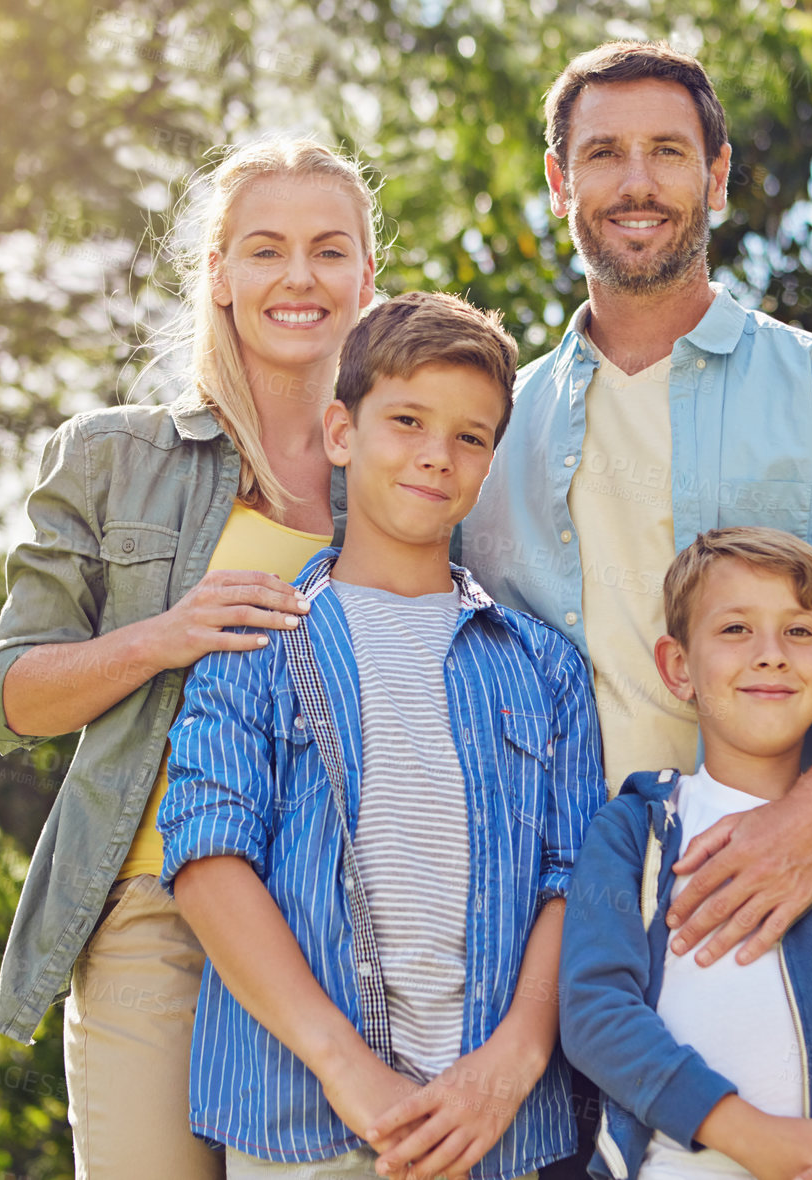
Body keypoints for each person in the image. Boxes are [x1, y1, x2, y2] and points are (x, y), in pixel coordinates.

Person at [462, 38, 812, 974]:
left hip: (772, 898)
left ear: (716, 175)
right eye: (603, 153)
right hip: (534, 922)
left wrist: (809, 823)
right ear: (559, 184)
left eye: (669, 152)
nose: (636, 183)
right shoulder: (490, 426)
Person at [0, 138, 380, 1177]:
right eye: (266, 250)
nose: (298, 277)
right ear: (221, 277)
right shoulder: (116, 456)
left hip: (340, 925)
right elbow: (8, 695)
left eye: (329, 250)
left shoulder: (408, 472)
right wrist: (168, 633)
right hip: (155, 915)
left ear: (367, 278)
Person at [157, 290, 609, 1180]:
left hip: (505, 1131)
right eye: (406, 420)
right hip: (305, 1118)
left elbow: (577, 878)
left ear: (488, 463)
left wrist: (512, 1062)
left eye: (469, 437)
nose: (436, 456)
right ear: (341, 432)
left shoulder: (544, 667)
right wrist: (346, 1068)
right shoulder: (259, 639)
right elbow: (209, 859)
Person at [559, 527, 812, 1180]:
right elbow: (594, 1012)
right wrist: (750, 1137)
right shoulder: (634, 830)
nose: (770, 655)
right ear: (677, 668)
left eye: (798, 632)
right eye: (735, 630)